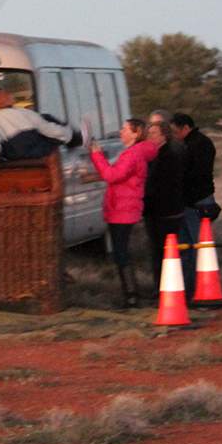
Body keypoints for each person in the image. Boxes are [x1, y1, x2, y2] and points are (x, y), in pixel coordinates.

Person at [89, 119, 158, 307]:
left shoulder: (131, 155)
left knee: (121, 252)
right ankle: (131, 294)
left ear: (135, 134)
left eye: (124, 128)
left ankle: (131, 296)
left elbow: (112, 175)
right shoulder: (137, 153)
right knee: (122, 251)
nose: (120, 131)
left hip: (122, 209)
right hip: (125, 208)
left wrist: (97, 156)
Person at [142, 118, 188, 297]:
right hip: (155, 212)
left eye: (154, 133)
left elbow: (163, 186)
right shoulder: (153, 155)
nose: (150, 137)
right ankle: (161, 287)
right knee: (156, 252)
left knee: (165, 252)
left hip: (166, 213)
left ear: (164, 135)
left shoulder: (168, 156)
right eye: (149, 133)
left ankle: (168, 288)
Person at [0, 87, 80, 166]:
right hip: (36, 151)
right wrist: (68, 134)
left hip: (15, 155)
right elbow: (50, 130)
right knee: (47, 119)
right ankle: (75, 137)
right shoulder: (26, 112)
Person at [172, 112, 218, 288]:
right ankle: (188, 287)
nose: (175, 136)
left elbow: (198, 173)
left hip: (198, 200)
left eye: (176, 131)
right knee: (186, 248)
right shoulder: (188, 143)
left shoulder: (200, 144)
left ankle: (204, 287)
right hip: (187, 202)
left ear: (185, 128)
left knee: (199, 247)